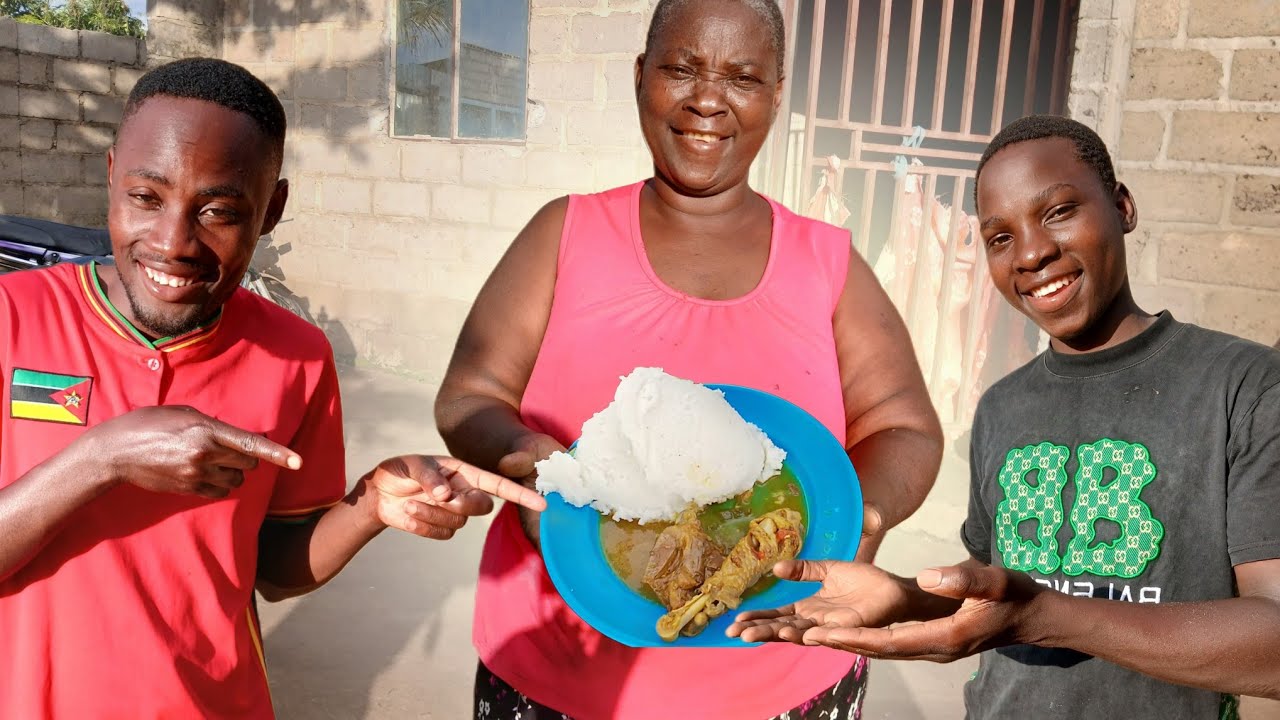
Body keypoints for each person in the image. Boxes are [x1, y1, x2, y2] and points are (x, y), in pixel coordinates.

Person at [434, 0, 943, 718]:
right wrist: (522, 453)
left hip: (784, 680)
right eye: (681, 68)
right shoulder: (566, 232)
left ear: (775, 94)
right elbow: (469, 396)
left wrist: (860, 513)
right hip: (558, 677)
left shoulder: (825, 263)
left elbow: (906, 427)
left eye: (742, 76)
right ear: (642, 76)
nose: (708, 99)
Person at [0, 58, 545, 719]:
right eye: (146, 198)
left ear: (272, 210)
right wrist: (102, 455)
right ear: (113, 176)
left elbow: (277, 570)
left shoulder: (294, 355)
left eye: (220, 211)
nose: (174, 242)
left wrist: (370, 505)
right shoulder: (13, 316)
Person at [729, 115, 1280, 716]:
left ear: (1123, 207)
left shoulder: (1243, 387)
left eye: (1059, 212)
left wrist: (1046, 620)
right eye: (999, 238)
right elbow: (998, 593)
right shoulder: (1002, 407)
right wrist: (905, 596)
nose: (1033, 253)